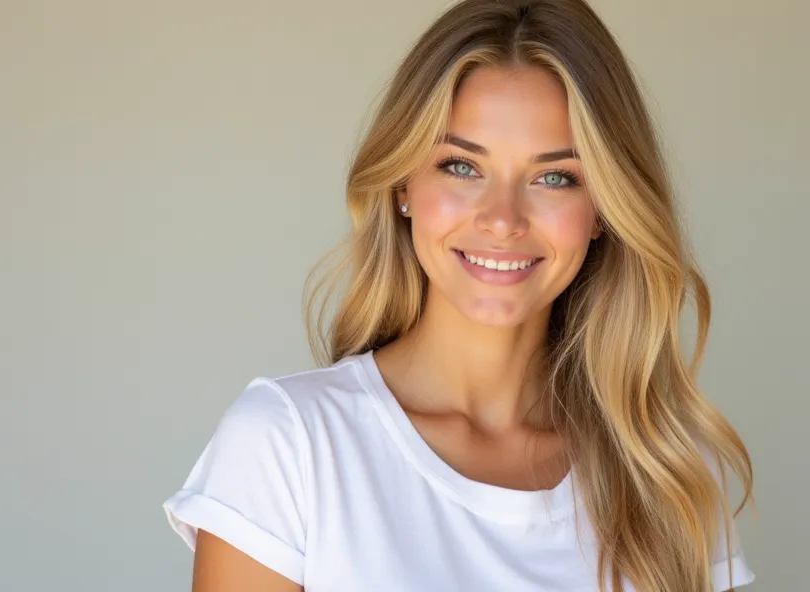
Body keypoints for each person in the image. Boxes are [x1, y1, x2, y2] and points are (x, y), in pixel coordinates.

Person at [163, 0, 755, 590]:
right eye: (462, 166)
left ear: (603, 210)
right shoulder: (288, 446)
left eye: (555, 177)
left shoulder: (667, 469)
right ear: (403, 184)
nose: (503, 219)